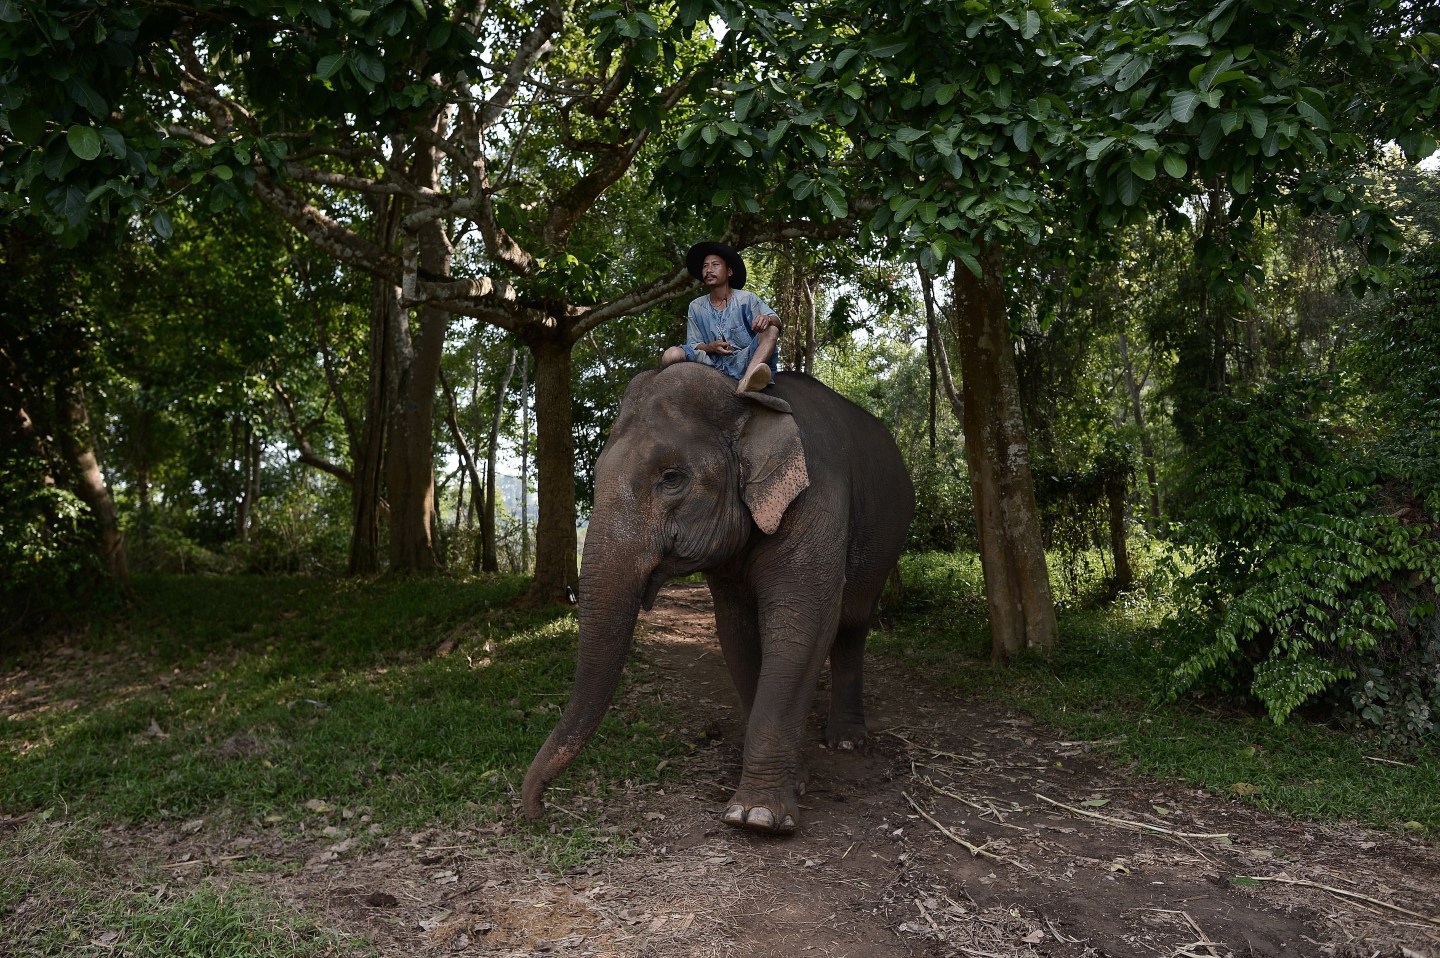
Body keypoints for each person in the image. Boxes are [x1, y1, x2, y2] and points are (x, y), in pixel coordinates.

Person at [661, 241, 781, 393]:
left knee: (771, 330)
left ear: (729, 272)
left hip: (743, 361)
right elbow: (694, 344)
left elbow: (776, 321)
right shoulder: (696, 306)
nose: (709, 270)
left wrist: (767, 319)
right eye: (705, 266)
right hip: (709, 363)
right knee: (671, 354)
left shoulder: (746, 299)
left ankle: (747, 380)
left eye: (715, 265)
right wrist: (711, 347)